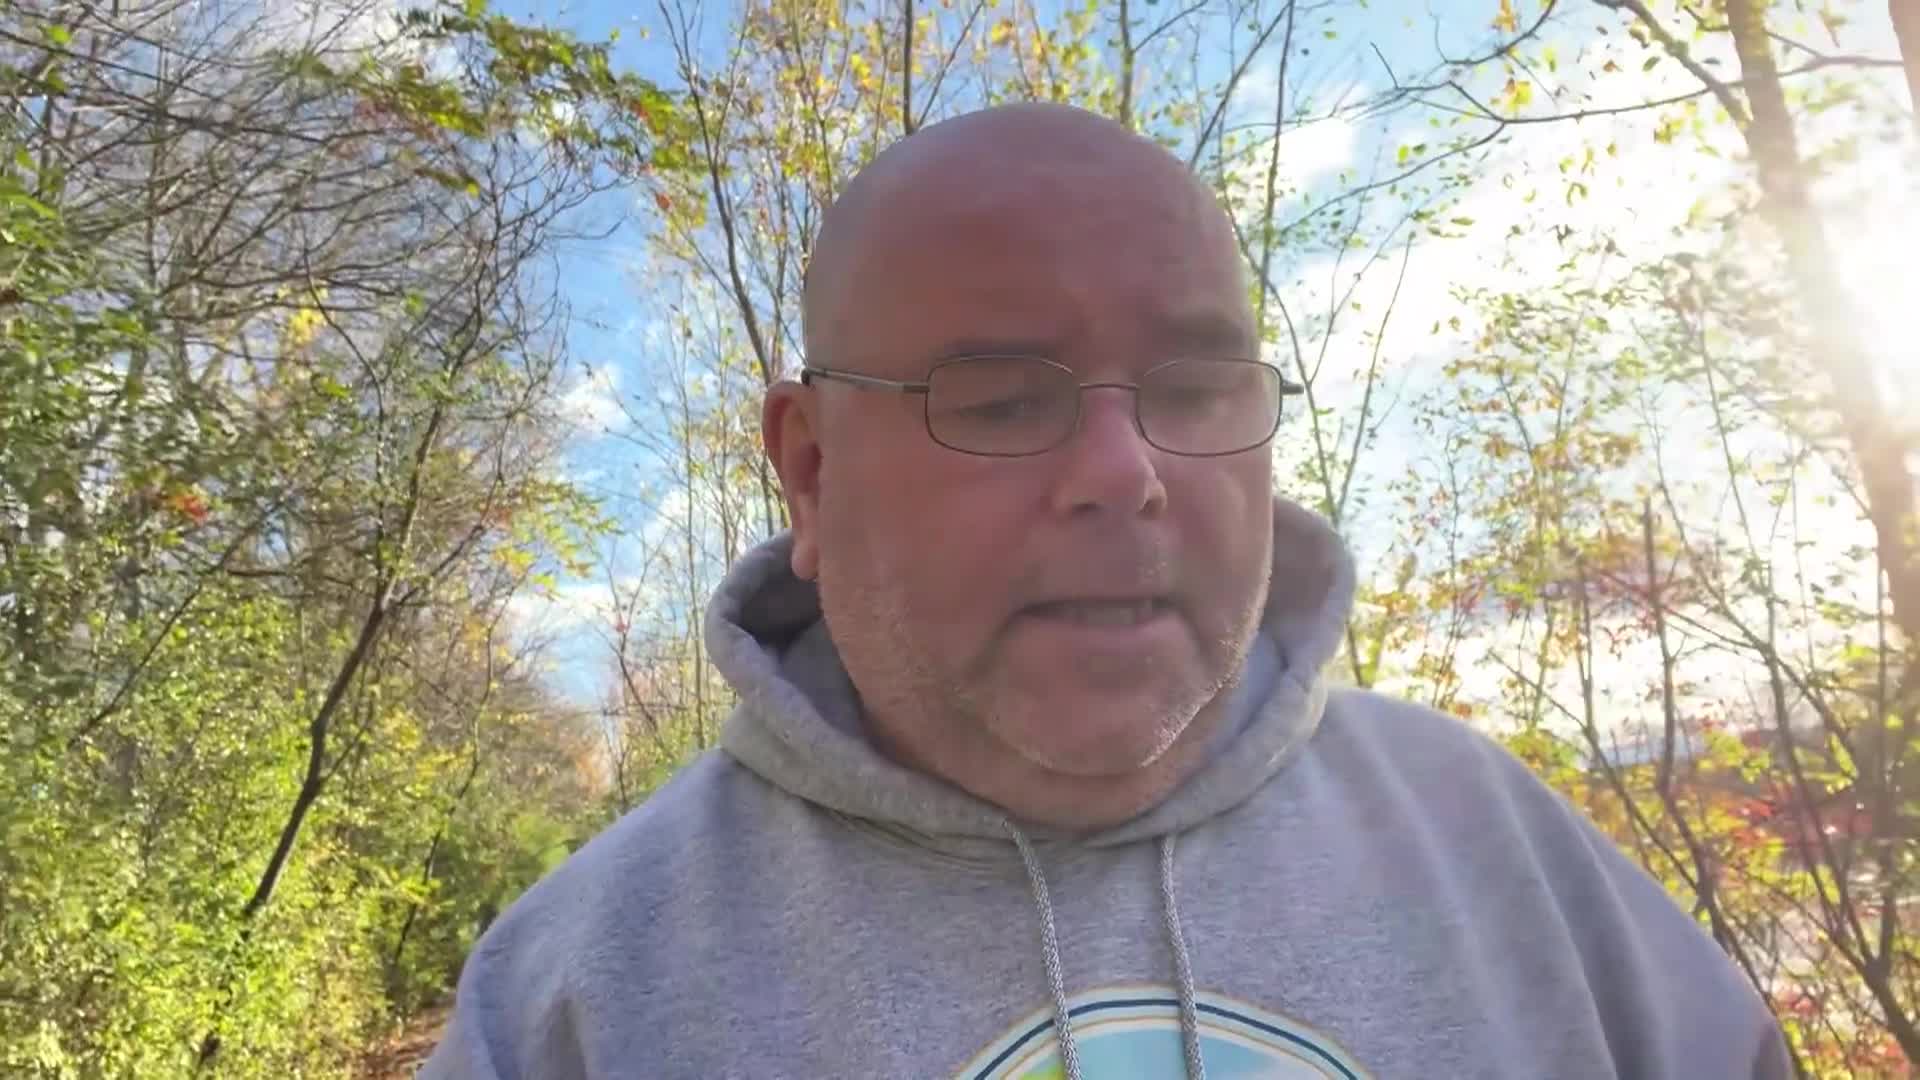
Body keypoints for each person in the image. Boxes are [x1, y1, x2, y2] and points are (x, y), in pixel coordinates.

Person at [421, 102, 1790, 1079]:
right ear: (814, 472)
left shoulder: (1517, 865)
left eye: (1195, 389)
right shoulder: (580, 1006)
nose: (1125, 473)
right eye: (1006, 398)